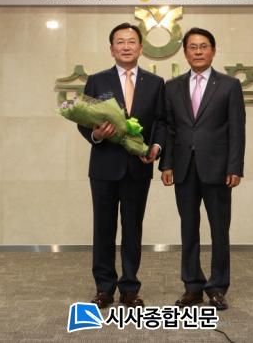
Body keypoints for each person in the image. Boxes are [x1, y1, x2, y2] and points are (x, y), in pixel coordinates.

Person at [78, 22, 166, 309]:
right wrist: (96, 134)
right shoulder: (96, 81)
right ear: (111, 48)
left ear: (141, 48)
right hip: (104, 167)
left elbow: (161, 122)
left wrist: (156, 147)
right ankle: (104, 288)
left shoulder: (155, 83)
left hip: (138, 166)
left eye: (131, 42)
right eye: (120, 42)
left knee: (132, 229)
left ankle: (130, 287)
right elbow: (83, 120)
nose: (126, 47)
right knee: (103, 229)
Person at [160, 27, 246, 311]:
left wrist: (235, 166)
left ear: (213, 51)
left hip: (218, 169)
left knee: (219, 230)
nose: (198, 51)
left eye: (204, 46)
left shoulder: (229, 85)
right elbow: (169, 129)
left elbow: (237, 129)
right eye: (193, 47)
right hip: (184, 168)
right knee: (188, 229)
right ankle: (192, 286)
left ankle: (218, 287)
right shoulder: (172, 87)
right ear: (185, 53)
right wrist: (167, 163)